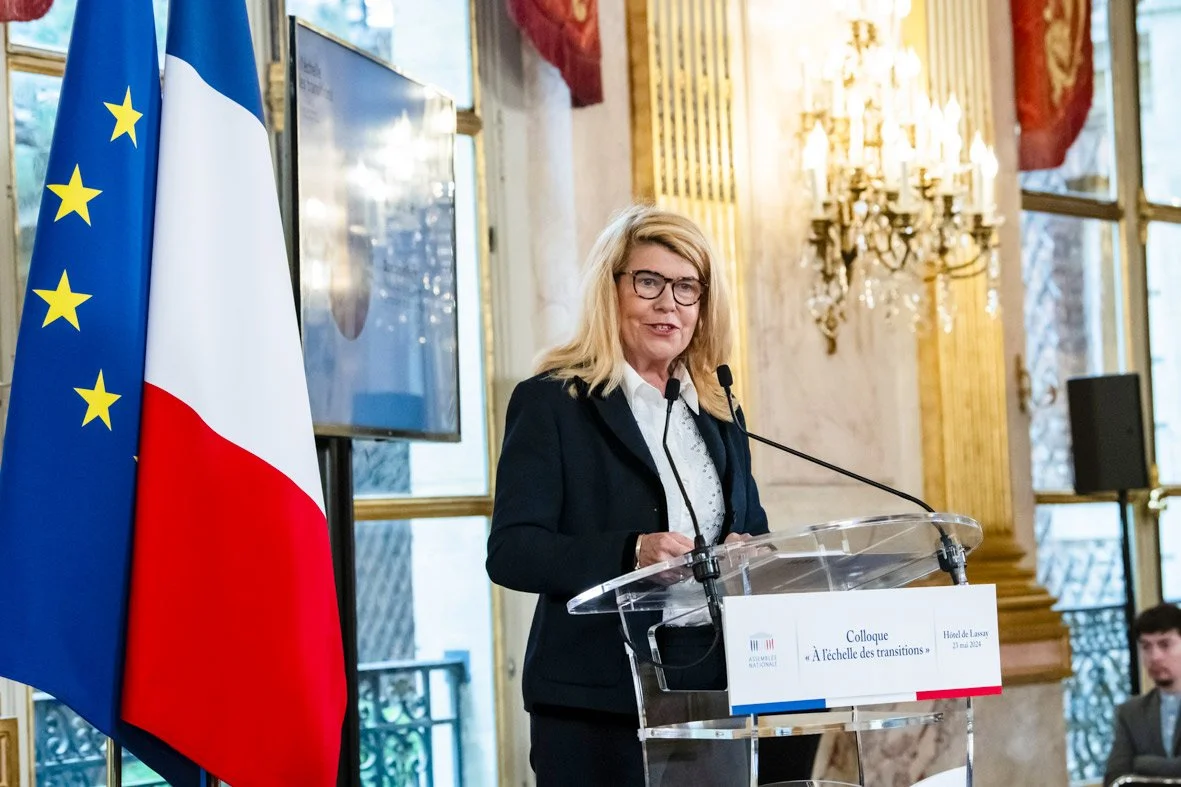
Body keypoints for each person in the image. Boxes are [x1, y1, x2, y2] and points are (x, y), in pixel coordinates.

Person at [486, 205, 816, 785]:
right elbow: (513, 552)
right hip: (596, 702)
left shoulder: (717, 408)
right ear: (610, 291)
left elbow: (753, 527)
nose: (669, 303)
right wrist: (631, 553)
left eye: (687, 287)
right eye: (648, 282)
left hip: (714, 688)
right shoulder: (554, 403)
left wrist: (748, 553)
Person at [1104, 602, 1181, 786]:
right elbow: (1115, 779)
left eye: (1164, 645)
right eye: (1146, 647)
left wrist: (1142, 764)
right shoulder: (1130, 713)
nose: (1155, 657)